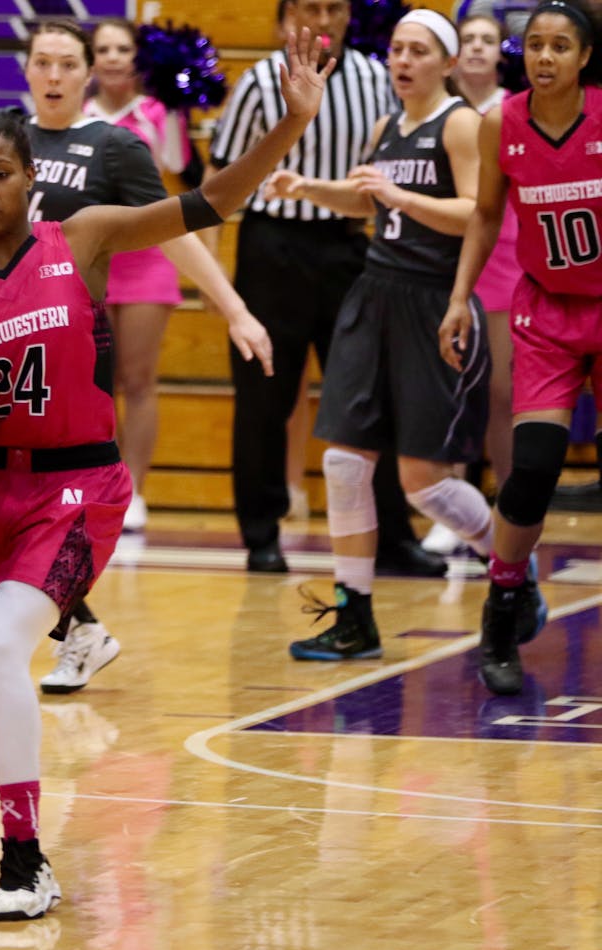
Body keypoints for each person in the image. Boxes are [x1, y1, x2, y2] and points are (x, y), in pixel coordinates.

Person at [0, 30, 332, 922]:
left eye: (0, 174)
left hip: (74, 492)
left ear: (28, 177)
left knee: (6, 647)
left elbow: (213, 203)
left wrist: (291, 121)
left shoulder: (80, 238)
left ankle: (24, 856)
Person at [0, 3, 274, 699]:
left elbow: (183, 222)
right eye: (43, 62)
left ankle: (16, 633)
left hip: (66, 320)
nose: (55, 73)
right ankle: (52, 630)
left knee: (50, 462)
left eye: (69, 62)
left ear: (89, 72)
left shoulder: (116, 145)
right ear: (26, 70)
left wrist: (233, 306)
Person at [264, 11, 503, 661]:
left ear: (448, 63)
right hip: (373, 296)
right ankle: (354, 617)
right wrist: (310, 187)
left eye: (418, 51)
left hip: (433, 302)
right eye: (396, 49)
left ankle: (511, 571)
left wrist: (396, 196)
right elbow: (369, 200)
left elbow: (476, 212)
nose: (402, 60)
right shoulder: (384, 127)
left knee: (424, 481)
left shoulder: (461, 124)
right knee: (344, 463)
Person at [209, 0, 447, 578]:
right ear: (286, 19)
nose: (322, 18)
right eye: (309, 7)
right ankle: (262, 536)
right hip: (271, 248)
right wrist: (218, 282)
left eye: (333, 7)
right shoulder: (260, 81)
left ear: (347, 15)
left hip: (347, 244)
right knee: (265, 393)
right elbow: (217, 179)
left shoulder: (374, 77)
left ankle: (391, 536)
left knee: (371, 394)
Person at [439, 0, 601, 695]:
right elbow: (483, 215)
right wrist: (458, 298)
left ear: (584, 57)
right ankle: (503, 607)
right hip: (545, 314)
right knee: (530, 469)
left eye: (560, 46)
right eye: (534, 44)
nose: (544, 57)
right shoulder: (498, 122)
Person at [84, 17, 195, 534]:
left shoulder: (157, 113)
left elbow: (176, 163)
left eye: (121, 48)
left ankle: (137, 491)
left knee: (137, 380)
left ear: (138, 57)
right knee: (91, 384)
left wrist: (177, 105)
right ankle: (93, 484)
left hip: (148, 259)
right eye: (102, 48)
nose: (111, 57)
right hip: (91, 261)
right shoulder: (77, 115)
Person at [423, 10, 523, 554]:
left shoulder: (516, 111)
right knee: (453, 391)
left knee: (503, 395)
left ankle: (510, 505)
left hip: (506, 262)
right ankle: (454, 507)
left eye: (489, 39)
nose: (480, 48)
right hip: (445, 265)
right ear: (455, 54)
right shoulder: (437, 112)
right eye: (470, 40)